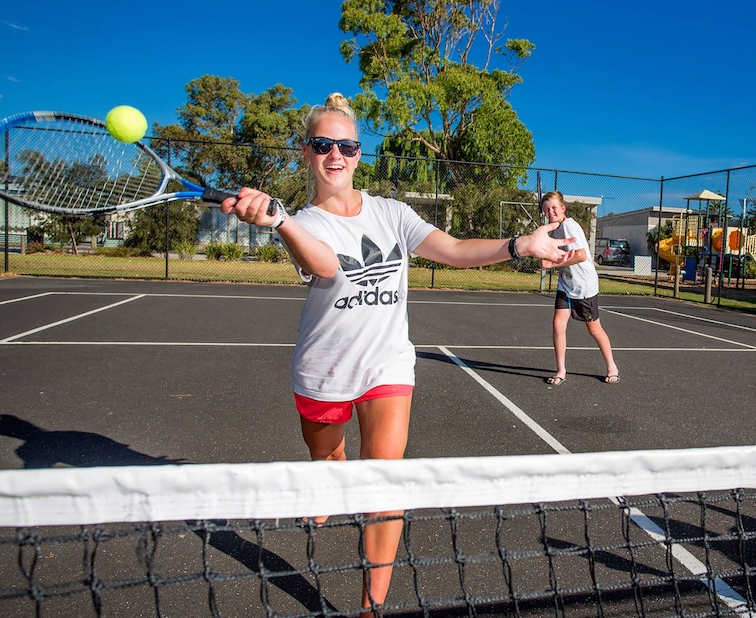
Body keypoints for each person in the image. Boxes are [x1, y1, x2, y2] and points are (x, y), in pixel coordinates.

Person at [219, 92, 572, 616]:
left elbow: (452, 250)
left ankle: (371, 606)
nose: (335, 155)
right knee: (328, 461)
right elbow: (321, 266)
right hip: (322, 372)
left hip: (387, 366)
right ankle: (325, 490)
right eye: (323, 145)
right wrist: (281, 221)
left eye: (347, 146)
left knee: (384, 482)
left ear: (359, 153)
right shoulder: (306, 223)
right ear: (306, 151)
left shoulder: (391, 213)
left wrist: (519, 244)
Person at [539, 190, 619, 386]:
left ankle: (612, 367)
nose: (550, 212)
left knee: (594, 330)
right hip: (566, 284)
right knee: (558, 324)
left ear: (563, 208)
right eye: (546, 210)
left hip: (584, 285)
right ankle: (561, 370)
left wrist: (552, 264)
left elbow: (581, 255)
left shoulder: (569, 226)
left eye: (554, 208)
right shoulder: (555, 230)